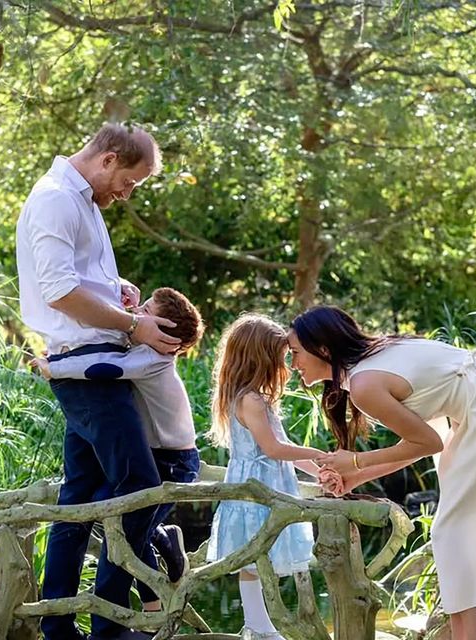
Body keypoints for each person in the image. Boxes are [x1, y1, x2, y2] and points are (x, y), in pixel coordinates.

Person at [288, 306, 476, 640]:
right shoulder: (371, 363)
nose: (293, 363)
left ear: (323, 349)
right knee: (457, 532)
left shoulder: (364, 383)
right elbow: (415, 443)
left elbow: (428, 442)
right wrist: (356, 476)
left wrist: (355, 461)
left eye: (295, 353)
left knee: (453, 530)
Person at [16, 122, 179, 640]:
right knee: (141, 488)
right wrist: (135, 325)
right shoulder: (57, 199)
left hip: (92, 362)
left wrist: (116, 289)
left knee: (81, 496)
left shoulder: (81, 201)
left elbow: (76, 280)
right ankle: (110, 623)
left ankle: (58, 627)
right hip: (87, 369)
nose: (127, 194)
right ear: (108, 159)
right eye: (130, 182)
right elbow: (61, 294)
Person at [33, 287, 205, 613]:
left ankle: (153, 607)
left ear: (165, 333)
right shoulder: (142, 350)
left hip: (175, 461)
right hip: (161, 453)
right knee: (123, 522)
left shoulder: (152, 359)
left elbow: (105, 367)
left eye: (147, 311)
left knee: (128, 529)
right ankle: (161, 546)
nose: (137, 313)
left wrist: (55, 367)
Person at [204, 314, 323, 640]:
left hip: (260, 484)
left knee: (257, 558)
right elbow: (273, 449)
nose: (285, 366)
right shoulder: (251, 400)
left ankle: (260, 625)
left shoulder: (247, 396)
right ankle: (260, 626)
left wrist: (319, 471)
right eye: (281, 358)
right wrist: (318, 455)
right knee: (256, 557)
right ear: (262, 359)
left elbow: (280, 447)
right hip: (258, 490)